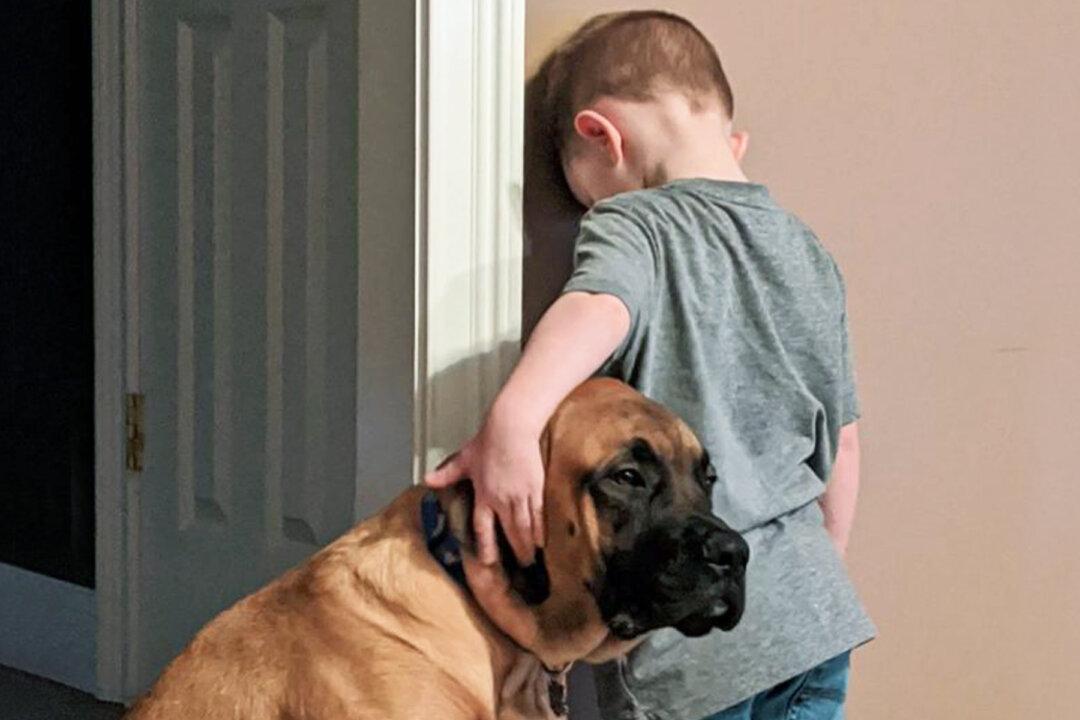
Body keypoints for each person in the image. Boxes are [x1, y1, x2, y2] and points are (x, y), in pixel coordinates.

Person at [426, 10, 875, 720]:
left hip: (698, 653)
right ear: (734, 141)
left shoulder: (638, 223)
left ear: (601, 137)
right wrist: (816, 579)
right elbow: (841, 442)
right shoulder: (808, 250)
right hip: (816, 616)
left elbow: (600, 308)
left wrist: (513, 421)